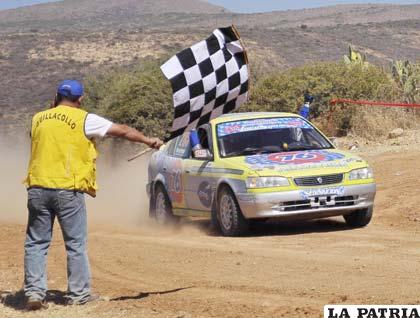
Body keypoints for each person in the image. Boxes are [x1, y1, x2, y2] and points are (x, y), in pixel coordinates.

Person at [23, 79, 163, 310]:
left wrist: (52, 108)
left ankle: (34, 293)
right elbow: (124, 131)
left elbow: (41, 138)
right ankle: (79, 295)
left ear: (57, 96)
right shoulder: (85, 119)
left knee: (36, 243)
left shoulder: (38, 118)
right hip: (68, 189)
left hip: (37, 188)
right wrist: (149, 140)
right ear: (81, 99)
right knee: (75, 244)